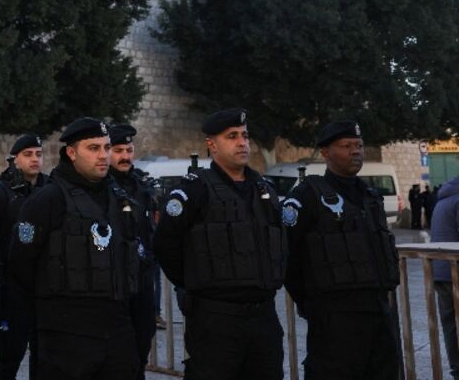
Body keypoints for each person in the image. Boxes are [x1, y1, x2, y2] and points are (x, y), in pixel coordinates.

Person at [154, 108, 285, 380]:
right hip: (215, 318)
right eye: (232, 136)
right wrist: (193, 282)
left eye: (245, 136)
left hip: (264, 317)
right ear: (212, 145)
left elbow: (282, 243)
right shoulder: (195, 190)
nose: (242, 143)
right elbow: (166, 245)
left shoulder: (264, 189)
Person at [8, 118, 142, 379]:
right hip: (65, 333)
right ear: (71, 152)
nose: (103, 156)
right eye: (93, 148)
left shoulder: (119, 200)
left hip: (116, 328)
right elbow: (20, 265)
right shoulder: (48, 200)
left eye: (106, 148)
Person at [282, 120, 400, 379]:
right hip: (334, 317)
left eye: (358, 145)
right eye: (346, 146)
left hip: (379, 313)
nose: (355, 151)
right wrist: (310, 302)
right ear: (326, 153)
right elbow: (287, 256)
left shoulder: (370, 197)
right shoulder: (308, 196)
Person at [0, 133, 46, 380]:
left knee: (44, 356)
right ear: (15, 159)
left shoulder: (50, 190)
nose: (34, 159)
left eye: (38, 154)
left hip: (44, 287)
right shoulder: (1, 193)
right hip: (12, 289)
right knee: (9, 355)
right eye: (28, 154)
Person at [107, 122, 161, 378]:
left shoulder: (141, 187)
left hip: (141, 282)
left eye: (128, 149)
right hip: (112, 287)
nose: (125, 156)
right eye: (118, 150)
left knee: (141, 344)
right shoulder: (99, 188)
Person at [432, 173, 459, 380]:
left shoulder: (444, 199)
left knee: (450, 323)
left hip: (441, 271)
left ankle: (456, 367)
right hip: (455, 271)